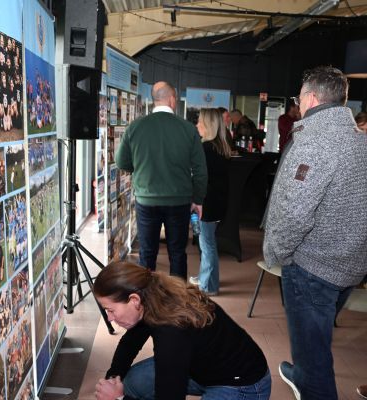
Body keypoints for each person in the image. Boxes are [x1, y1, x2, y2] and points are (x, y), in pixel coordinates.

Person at [263, 66, 367, 400]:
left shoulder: (316, 142)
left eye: (298, 99)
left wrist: (277, 252)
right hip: (349, 264)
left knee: (315, 355)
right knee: (315, 339)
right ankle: (301, 372)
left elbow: (295, 213)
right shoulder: (360, 140)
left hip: (313, 269)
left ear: (310, 98)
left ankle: (309, 379)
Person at [93, 261, 271, 400]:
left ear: (134, 300)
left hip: (242, 386)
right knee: (131, 382)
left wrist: (118, 398)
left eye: (110, 310)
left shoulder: (171, 333)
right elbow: (131, 342)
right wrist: (114, 377)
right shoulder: (151, 296)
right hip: (200, 368)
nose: (109, 318)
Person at [115, 81, 207, 280]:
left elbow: (121, 162)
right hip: (179, 201)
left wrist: (140, 168)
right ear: (172, 99)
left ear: (154, 99)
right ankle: (178, 296)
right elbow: (200, 170)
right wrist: (198, 199)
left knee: (147, 254)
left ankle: (146, 296)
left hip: (146, 200)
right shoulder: (188, 129)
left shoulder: (135, 127)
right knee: (177, 253)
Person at [189, 108, 230, 295]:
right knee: (205, 243)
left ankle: (209, 286)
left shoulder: (206, 149)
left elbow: (200, 178)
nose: (197, 124)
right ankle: (205, 276)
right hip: (215, 203)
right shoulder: (219, 146)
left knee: (207, 244)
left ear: (208, 124)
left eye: (200, 121)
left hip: (207, 204)